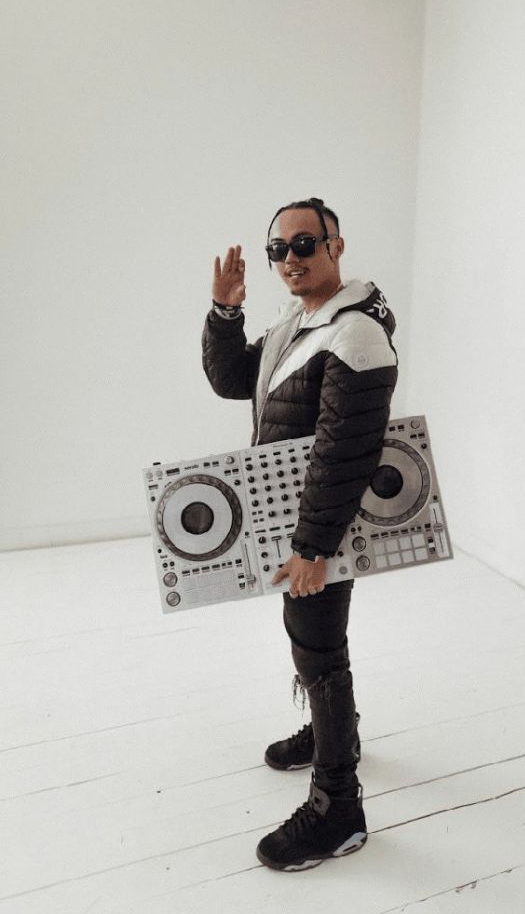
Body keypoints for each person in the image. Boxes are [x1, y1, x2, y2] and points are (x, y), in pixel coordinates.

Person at [201, 197, 398, 871]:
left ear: (336, 246)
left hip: (321, 525)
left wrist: (312, 547)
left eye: (305, 243)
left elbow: (347, 449)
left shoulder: (355, 333)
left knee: (318, 647)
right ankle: (330, 732)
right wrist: (225, 312)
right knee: (310, 637)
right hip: (299, 520)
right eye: (278, 249)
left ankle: (338, 808)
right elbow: (234, 380)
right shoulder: (301, 320)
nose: (291, 258)